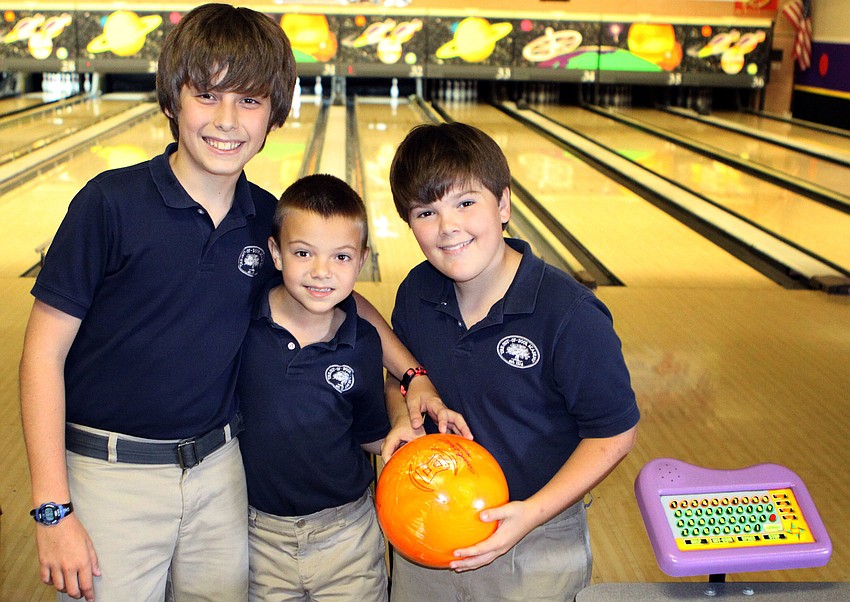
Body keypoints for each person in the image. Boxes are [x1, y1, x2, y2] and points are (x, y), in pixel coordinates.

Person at [18, 5, 446, 601]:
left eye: (248, 100)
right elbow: (42, 353)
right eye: (208, 95)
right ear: (173, 99)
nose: (227, 120)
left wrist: (413, 374)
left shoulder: (265, 218)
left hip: (222, 475)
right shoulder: (110, 205)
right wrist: (51, 509)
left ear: (274, 111)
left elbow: (344, 300)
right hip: (111, 474)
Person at [382, 122, 641, 602]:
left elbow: (614, 432)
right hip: (427, 532)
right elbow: (399, 372)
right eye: (426, 212)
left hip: (535, 543)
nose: (448, 227)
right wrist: (403, 413)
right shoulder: (416, 293)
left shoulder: (568, 314)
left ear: (503, 204)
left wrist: (532, 514)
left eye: (465, 202)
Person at [238, 174, 391, 601]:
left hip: (347, 536)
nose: (321, 272)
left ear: (362, 261)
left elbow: (370, 433)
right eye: (303, 252)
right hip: (257, 536)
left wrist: (409, 441)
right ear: (276, 253)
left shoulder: (363, 344)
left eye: (341, 257)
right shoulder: (244, 324)